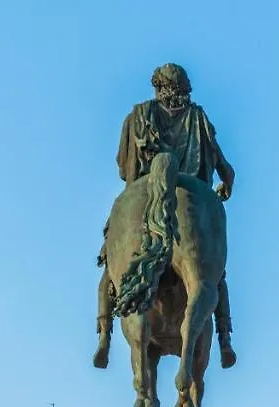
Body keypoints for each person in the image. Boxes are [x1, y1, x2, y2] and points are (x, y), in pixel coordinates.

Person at [94, 63, 237, 371]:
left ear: (157, 88)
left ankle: (103, 337)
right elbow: (224, 167)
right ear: (183, 90)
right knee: (214, 276)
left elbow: (123, 167)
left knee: (112, 266)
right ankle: (225, 338)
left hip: (143, 197)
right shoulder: (198, 118)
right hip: (196, 197)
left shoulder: (137, 117)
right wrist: (225, 181)